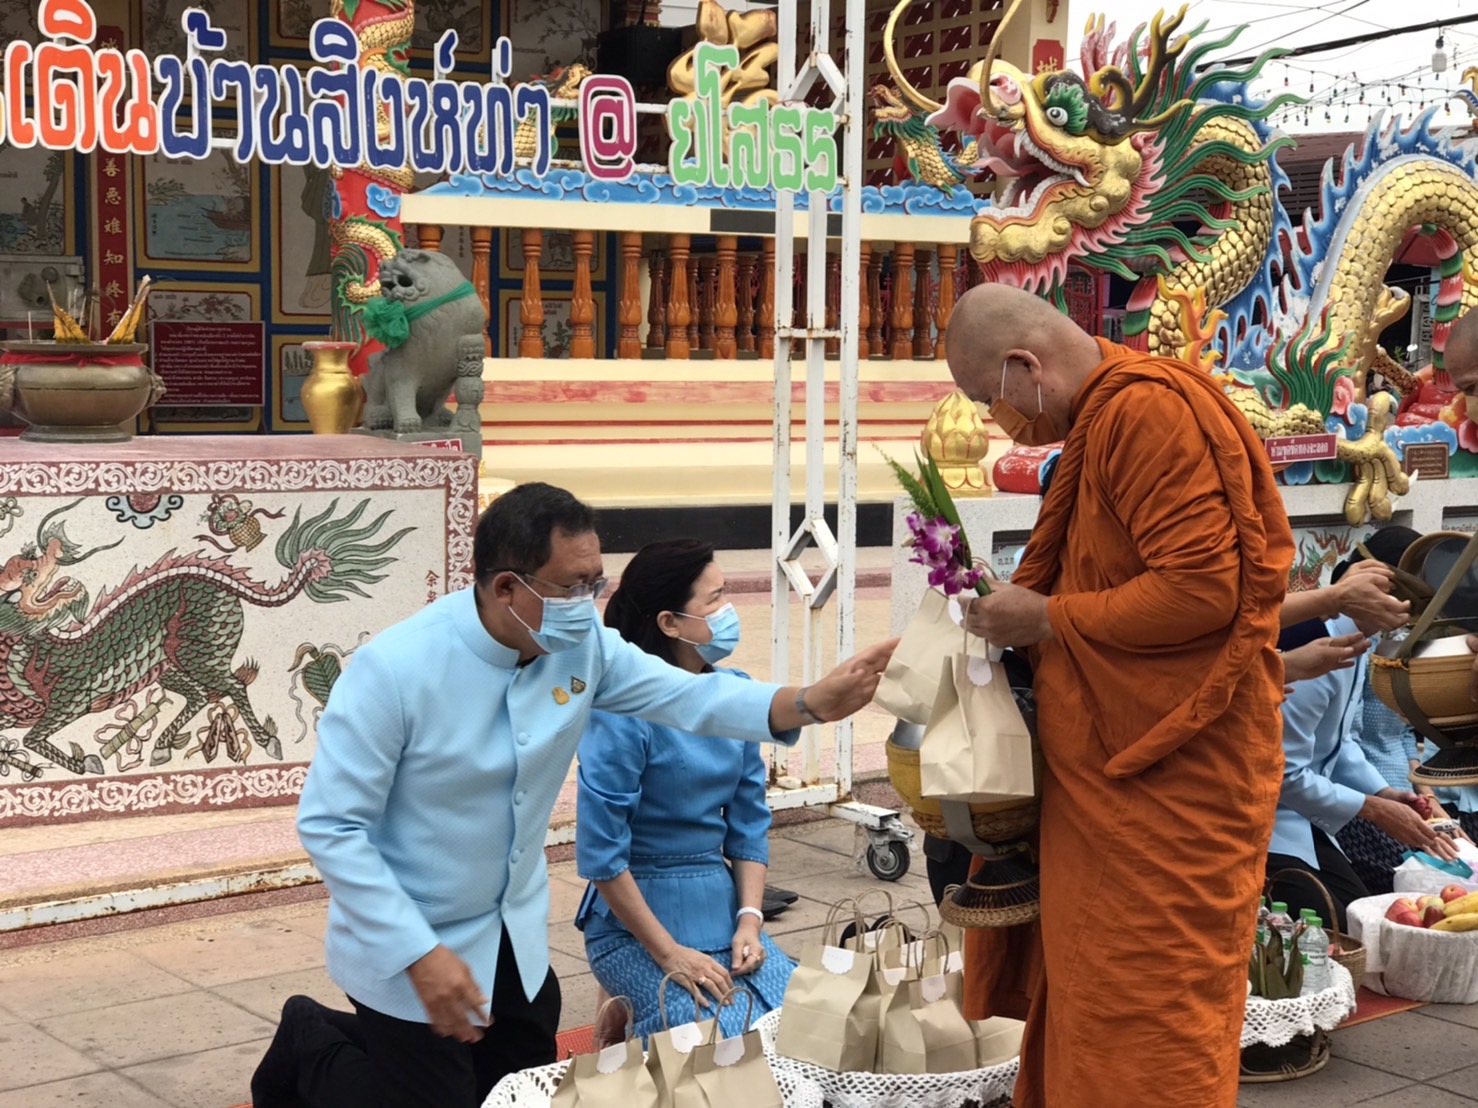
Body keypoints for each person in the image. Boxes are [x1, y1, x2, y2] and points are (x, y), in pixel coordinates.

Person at [250, 484, 896, 1108]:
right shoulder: (395, 670)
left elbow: (688, 696)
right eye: (572, 586)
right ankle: (310, 1044)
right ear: (508, 586)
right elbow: (333, 826)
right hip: (411, 934)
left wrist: (809, 702)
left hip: (513, 926)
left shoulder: (579, 645)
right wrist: (418, 952)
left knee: (518, 1094)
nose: (588, 604)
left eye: (596, 584)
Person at [946, 284, 1293, 1108]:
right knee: (1093, 1004)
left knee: (1149, 1021)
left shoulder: (1146, 414)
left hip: (1169, 781)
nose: (997, 423)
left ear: (1026, 366)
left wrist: (1048, 616)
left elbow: (1204, 591)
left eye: (987, 400)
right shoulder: (1104, 418)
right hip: (1110, 783)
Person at [574, 539, 795, 1040]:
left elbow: (748, 825)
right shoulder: (622, 712)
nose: (728, 610)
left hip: (718, 904)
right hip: (634, 922)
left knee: (800, 1024)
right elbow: (602, 855)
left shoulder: (735, 694)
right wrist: (669, 953)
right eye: (713, 600)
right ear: (669, 623)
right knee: (714, 1039)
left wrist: (750, 921)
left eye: (726, 593)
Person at [1269, 528, 1460, 935]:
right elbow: (1282, 772)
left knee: (1361, 920)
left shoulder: (1358, 639)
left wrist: (1384, 792)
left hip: (1307, 815)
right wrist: (1372, 808)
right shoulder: (1314, 641)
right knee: (1339, 929)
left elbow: (1341, 742)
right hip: (1269, 821)